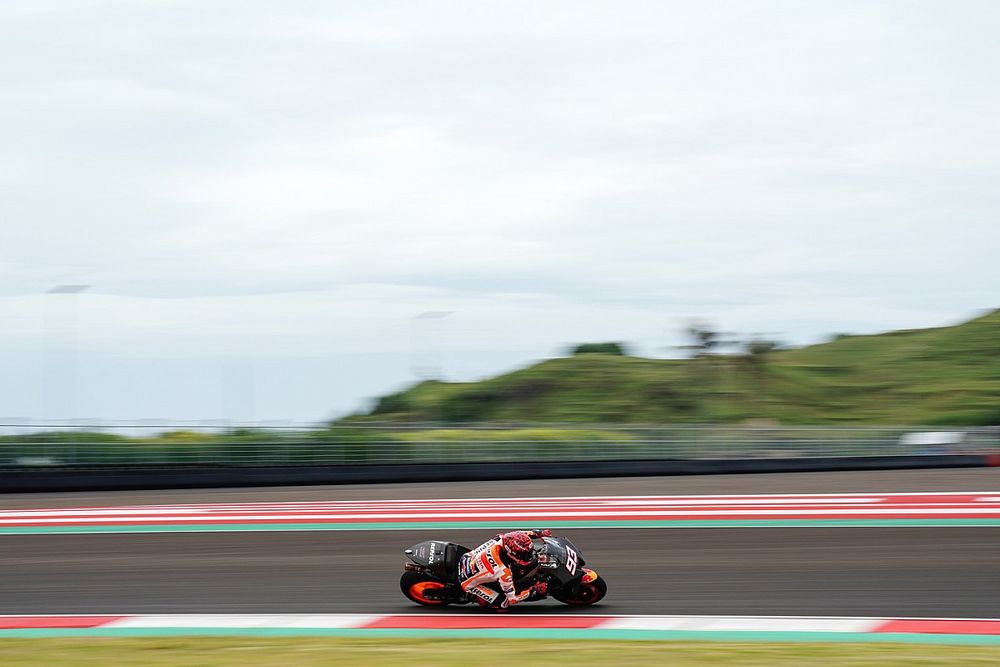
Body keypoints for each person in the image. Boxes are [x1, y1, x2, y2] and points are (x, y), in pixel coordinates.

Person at [459, 529, 551, 609]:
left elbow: (522, 534)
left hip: (467, 557)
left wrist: (540, 533)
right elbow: (513, 599)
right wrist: (532, 590)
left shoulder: (502, 538)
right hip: (467, 581)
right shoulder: (504, 571)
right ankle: (475, 597)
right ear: (511, 553)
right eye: (523, 555)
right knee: (504, 603)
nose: (528, 556)